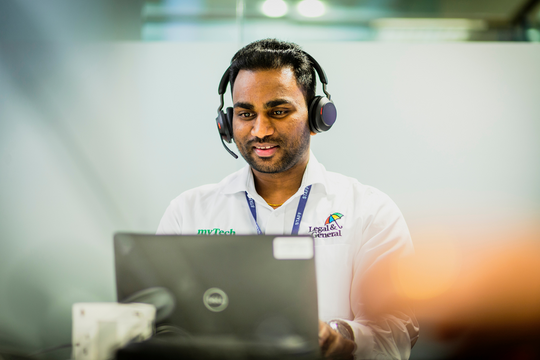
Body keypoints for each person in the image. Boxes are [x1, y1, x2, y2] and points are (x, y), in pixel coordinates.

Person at [157, 38, 419, 359]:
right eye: (245, 114)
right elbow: (160, 326)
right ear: (227, 123)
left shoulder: (370, 212)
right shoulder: (188, 213)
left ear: (317, 116)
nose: (260, 130)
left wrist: (343, 337)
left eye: (278, 111)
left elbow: (397, 331)